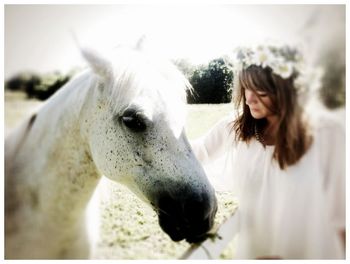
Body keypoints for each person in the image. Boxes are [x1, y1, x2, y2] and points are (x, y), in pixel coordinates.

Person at [191, 44, 345, 259]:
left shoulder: (327, 135)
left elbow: (342, 216)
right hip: (256, 252)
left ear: (286, 90)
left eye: (261, 91)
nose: (249, 98)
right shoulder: (234, 128)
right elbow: (193, 154)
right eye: (246, 87)